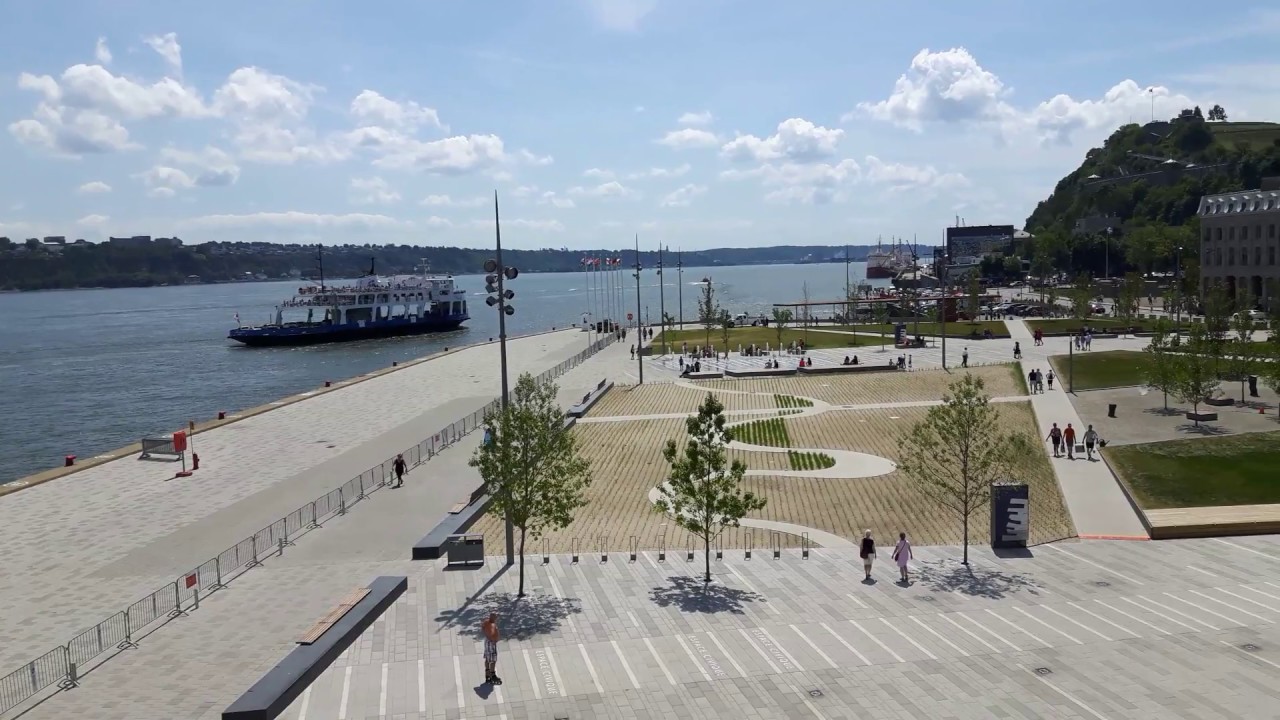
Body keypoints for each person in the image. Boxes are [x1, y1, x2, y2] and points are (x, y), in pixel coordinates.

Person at [482, 613, 502, 685]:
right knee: (493, 660)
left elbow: (483, 627)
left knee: (487, 659)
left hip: (487, 641)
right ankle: (492, 675)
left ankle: (487, 674)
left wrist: (487, 635)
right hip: (491, 644)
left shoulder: (486, 622)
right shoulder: (493, 626)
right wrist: (494, 640)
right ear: (493, 618)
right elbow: (494, 636)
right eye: (496, 617)